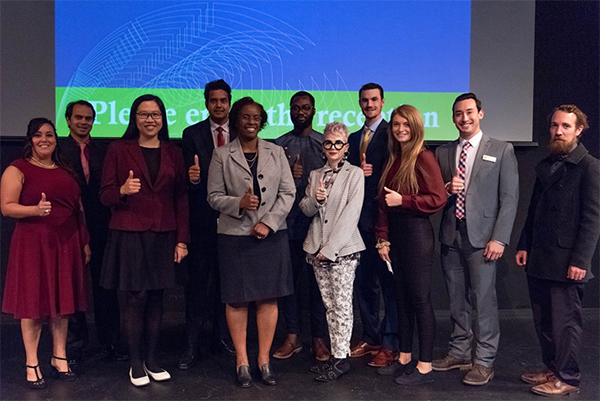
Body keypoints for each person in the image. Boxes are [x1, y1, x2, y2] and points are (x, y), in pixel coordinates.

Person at [99, 94, 190, 387]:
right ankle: (135, 363)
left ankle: (152, 360)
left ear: (163, 118)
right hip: (129, 232)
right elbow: (105, 195)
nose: (150, 120)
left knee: (156, 297)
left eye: (155, 114)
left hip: (164, 233)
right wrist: (122, 190)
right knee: (135, 298)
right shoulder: (118, 149)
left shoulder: (174, 151)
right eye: (143, 114)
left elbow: (181, 197)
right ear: (134, 118)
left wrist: (182, 240)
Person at [207, 97, 295, 388]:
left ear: (263, 120)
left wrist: (267, 223)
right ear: (236, 120)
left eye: (256, 117)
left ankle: (264, 360)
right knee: (237, 298)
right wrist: (239, 203)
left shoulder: (276, 152)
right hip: (234, 237)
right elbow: (213, 196)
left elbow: (288, 193)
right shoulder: (221, 154)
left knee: (268, 298)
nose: (251, 122)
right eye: (245, 117)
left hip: (271, 236)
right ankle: (242, 361)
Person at [433, 93, 519, 385]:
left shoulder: (502, 149)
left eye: (469, 112)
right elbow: (435, 194)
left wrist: (500, 239)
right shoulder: (443, 152)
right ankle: (459, 352)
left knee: (483, 302)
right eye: (458, 114)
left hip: (483, 239)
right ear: (453, 117)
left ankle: (483, 361)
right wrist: (446, 187)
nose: (464, 118)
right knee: (456, 300)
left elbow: (509, 199)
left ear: (480, 113)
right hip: (450, 234)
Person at [516, 105, 600, 397]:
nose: (558, 131)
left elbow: (592, 220)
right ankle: (551, 368)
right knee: (544, 321)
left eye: (565, 126)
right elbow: (534, 211)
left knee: (565, 324)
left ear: (579, 130)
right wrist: (524, 244)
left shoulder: (589, 167)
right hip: (540, 257)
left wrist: (581, 260)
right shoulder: (546, 164)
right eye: (554, 126)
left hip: (567, 262)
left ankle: (568, 377)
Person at [1, 118, 90, 389]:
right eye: (38, 135)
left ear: (56, 138)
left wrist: (84, 242)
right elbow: (6, 207)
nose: (44, 140)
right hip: (33, 245)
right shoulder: (17, 169)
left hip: (67, 243)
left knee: (62, 306)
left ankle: (59, 357)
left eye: (49, 135)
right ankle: (32, 362)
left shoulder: (65, 168)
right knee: (34, 306)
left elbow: (78, 207)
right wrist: (33, 211)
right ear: (30, 139)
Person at [375, 105, 446, 385]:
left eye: (405, 124)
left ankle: (424, 365)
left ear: (416, 126)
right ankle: (404, 358)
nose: (400, 129)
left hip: (417, 235)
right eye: (395, 124)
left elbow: (438, 198)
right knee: (401, 300)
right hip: (396, 236)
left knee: (419, 300)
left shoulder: (423, 156)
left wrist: (404, 201)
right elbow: (382, 202)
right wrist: (382, 238)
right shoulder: (393, 157)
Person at [61, 100, 127, 364]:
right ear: (67, 120)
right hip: (68, 225)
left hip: (101, 225)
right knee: (73, 287)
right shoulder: (58, 150)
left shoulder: (104, 150)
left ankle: (110, 340)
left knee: (105, 286)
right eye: (78, 117)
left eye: (88, 118)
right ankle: (75, 344)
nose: (83, 122)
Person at [300, 122, 365, 381]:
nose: (333, 147)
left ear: (346, 147)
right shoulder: (316, 174)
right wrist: (316, 199)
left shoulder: (355, 174)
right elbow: (305, 208)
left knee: (342, 305)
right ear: (323, 146)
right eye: (328, 142)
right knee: (329, 306)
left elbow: (351, 215)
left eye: (338, 143)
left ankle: (341, 358)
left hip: (343, 251)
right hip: (316, 249)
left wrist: (331, 249)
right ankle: (335, 357)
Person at [179, 79, 235, 370]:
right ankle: (191, 344)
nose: (218, 105)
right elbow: (185, 182)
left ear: (229, 102)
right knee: (198, 285)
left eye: (223, 100)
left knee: (227, 285)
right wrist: (193, 179)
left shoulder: (241, 132)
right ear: (206, 102)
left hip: (235, 222)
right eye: (213, 100)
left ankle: (222, 338)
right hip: (202, 220)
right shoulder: (191, 134)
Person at [273, 91, 329, 362]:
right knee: (289, 283)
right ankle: (292, 336)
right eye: (296, 108)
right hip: (287, 225)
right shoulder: (278, 145)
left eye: (306, 108)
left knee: (318, 285)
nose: (300, 112)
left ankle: (319, 338)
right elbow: (270, 186)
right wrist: (288, 174)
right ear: (290, 111)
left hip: (319, 226)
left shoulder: (324, 144)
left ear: (314, 110)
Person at [347, 83, 399, 367]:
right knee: (364, 284)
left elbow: (398, 170)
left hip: (386, 223)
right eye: (365, 100)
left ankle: (390, 342)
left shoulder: (394, 133)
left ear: (382, 101)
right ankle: (371, 336)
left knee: (389, 285)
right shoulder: (353, 138)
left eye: (374, 100)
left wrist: (373, 172)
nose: (369, 104)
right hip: (358, 223)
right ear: (359, 103)